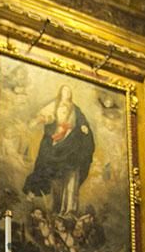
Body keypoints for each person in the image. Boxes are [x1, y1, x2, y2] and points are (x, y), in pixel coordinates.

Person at [23, 84, 94, 215]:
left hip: (69, 141)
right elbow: (46, 116)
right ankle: (33, 190)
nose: (66, 93)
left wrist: (83, 126)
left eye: (68, 91)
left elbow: (82, 121)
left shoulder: (75, 109)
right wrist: (38, 120)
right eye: (64, 91)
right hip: (55, 139)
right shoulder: (54, 105)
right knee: (44, 164)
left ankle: (66, 208)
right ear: (60, 92)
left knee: (69, 170)